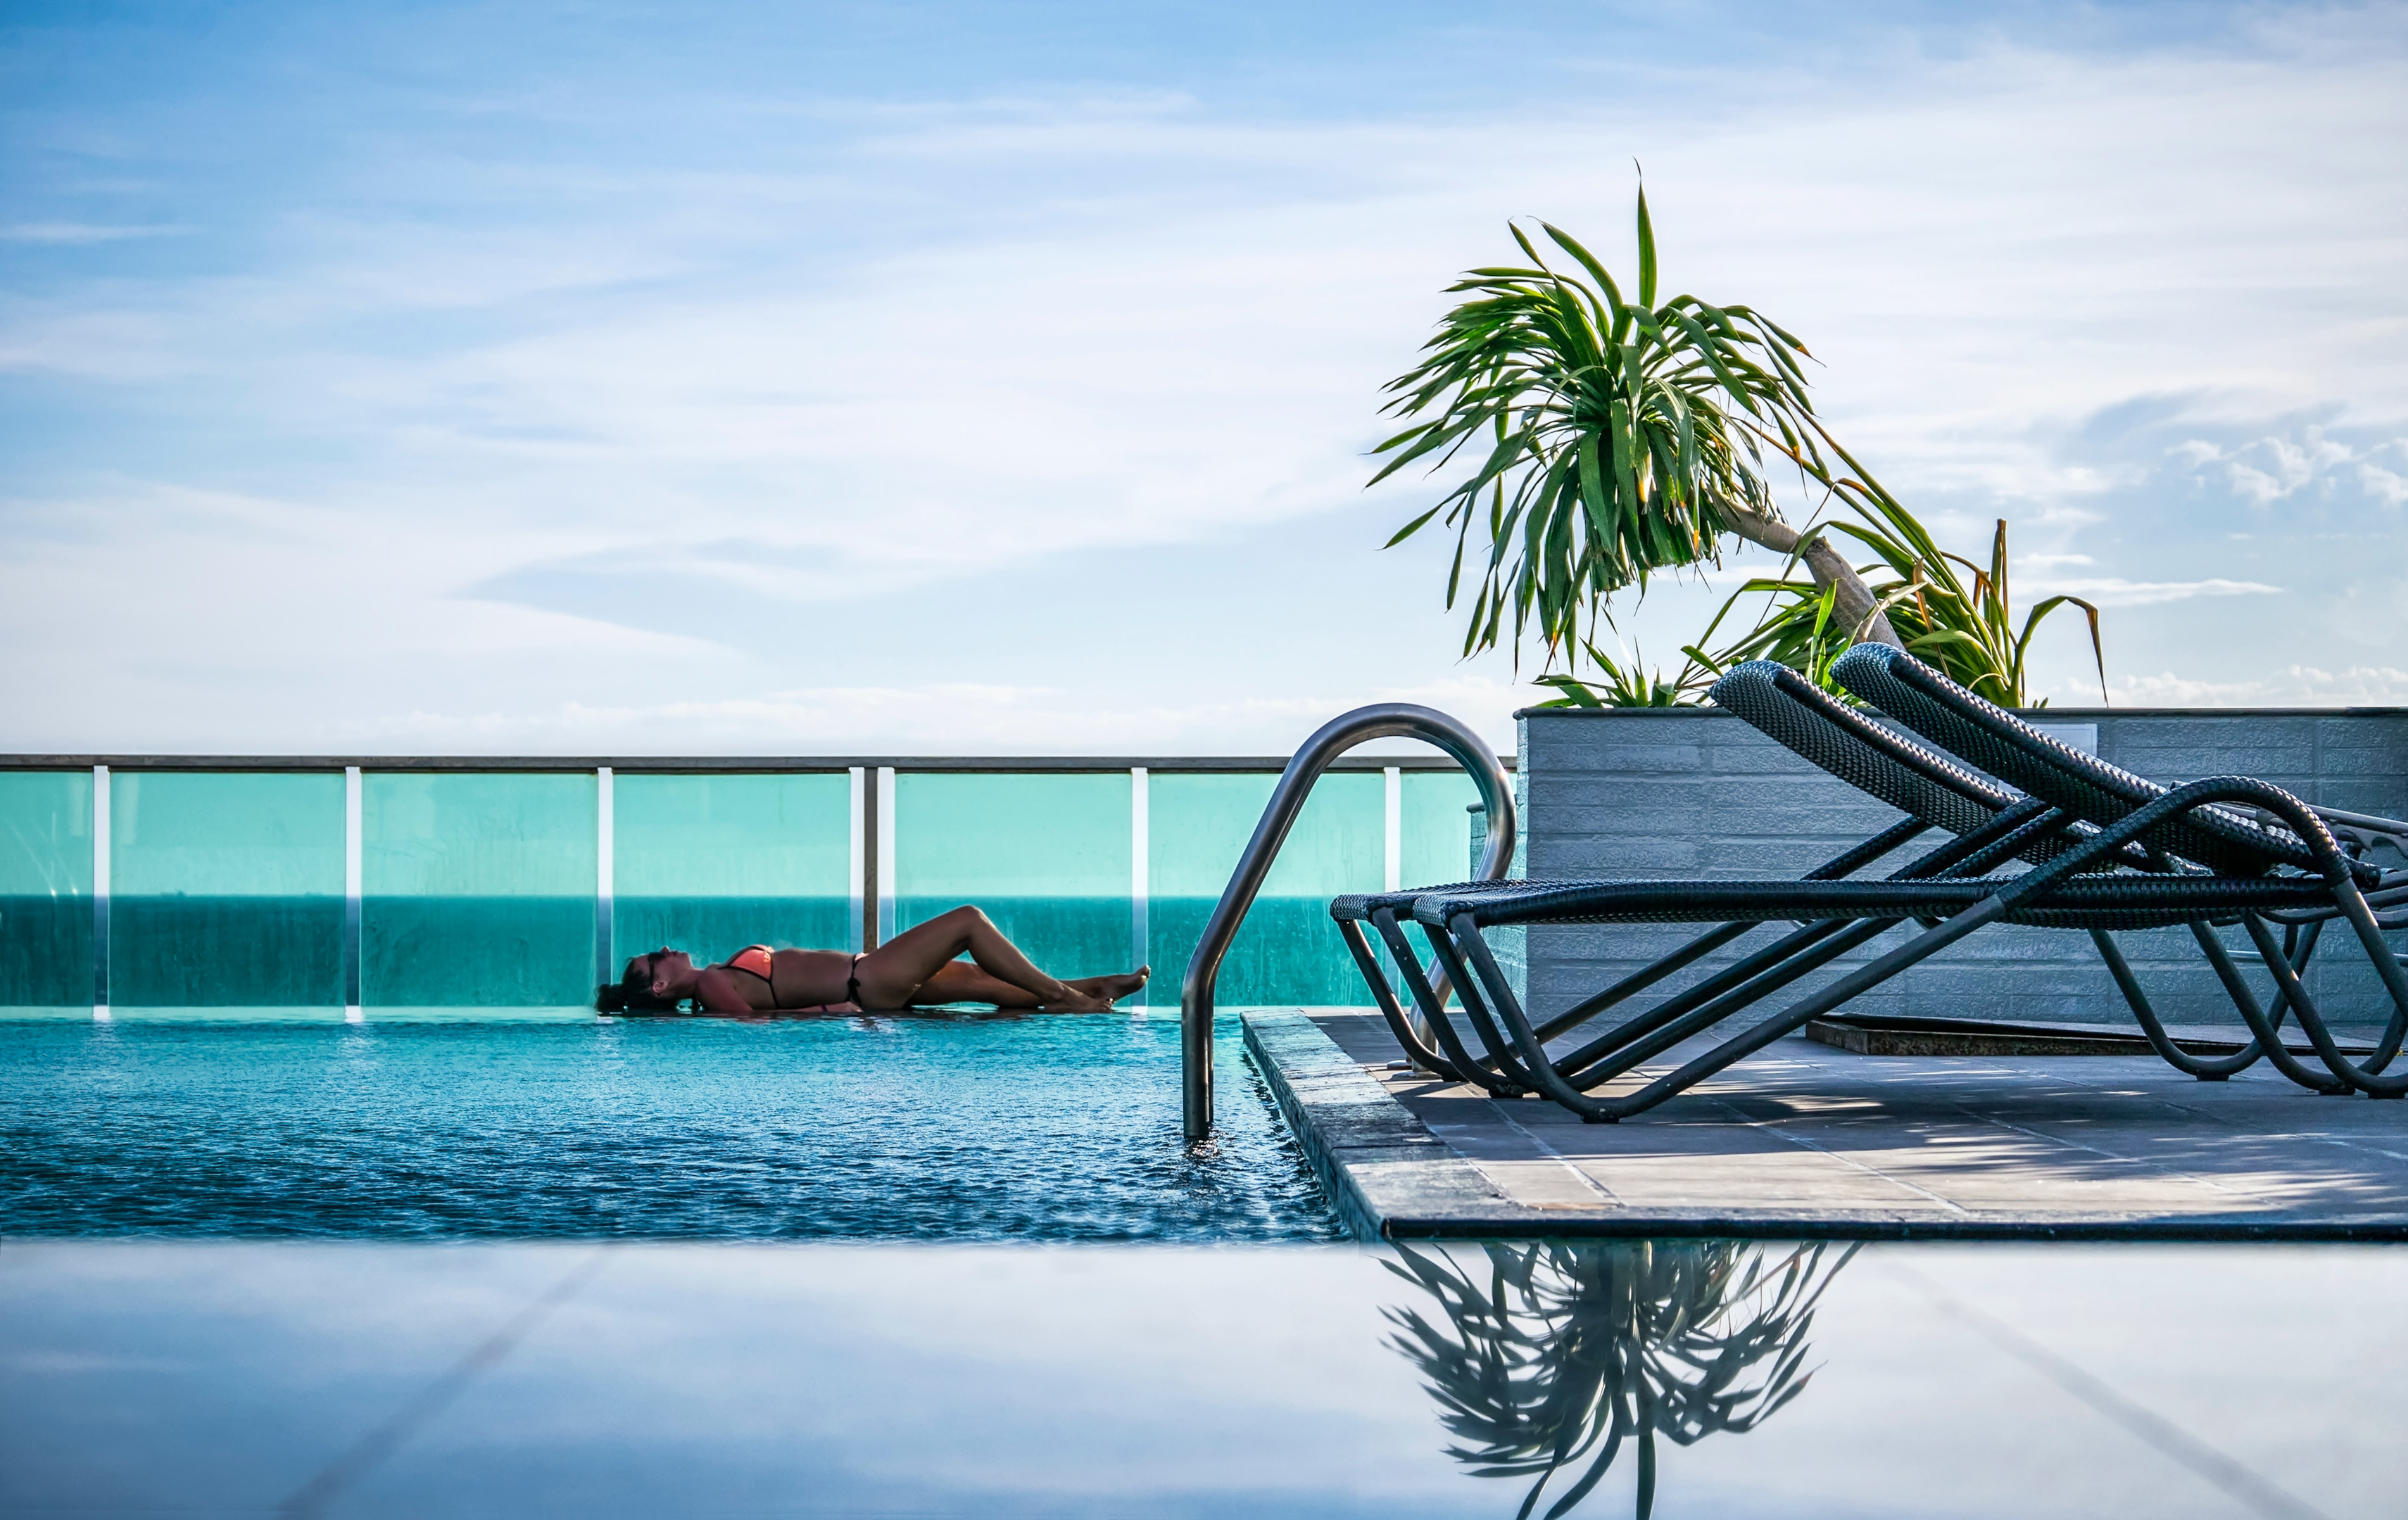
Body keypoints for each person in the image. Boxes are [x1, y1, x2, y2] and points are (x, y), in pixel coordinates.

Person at [594, 904, 1149, 1015]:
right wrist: (829, 1010)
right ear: (661, 988)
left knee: (985, 982)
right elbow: (756, 1024)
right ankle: (1067, 998)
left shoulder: (715, 974)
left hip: (868, 976)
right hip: (865, 982)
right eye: (653, 960)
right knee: (967, 922)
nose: (663, 950)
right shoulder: (712, 984)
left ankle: (1095, 986)